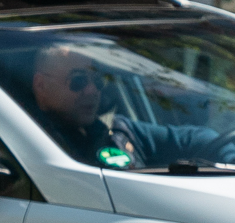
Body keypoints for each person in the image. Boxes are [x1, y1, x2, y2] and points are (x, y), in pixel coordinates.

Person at [25, 42, 221, 168]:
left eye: (98, 80)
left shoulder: (118, 131)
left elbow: (198, 139)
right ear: (41, 86)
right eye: (78, 81)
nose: (93, 90)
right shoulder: (27, 144)